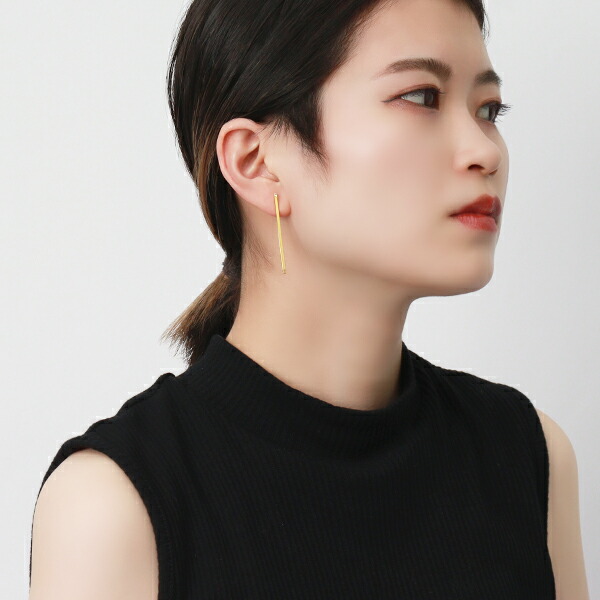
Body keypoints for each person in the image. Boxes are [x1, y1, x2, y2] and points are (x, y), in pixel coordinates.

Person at [28, 0, 590, 598]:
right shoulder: (113, 506)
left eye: (489, 109)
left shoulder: (527, 455)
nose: (487, 151)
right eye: (421, 97)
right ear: (256, 161)